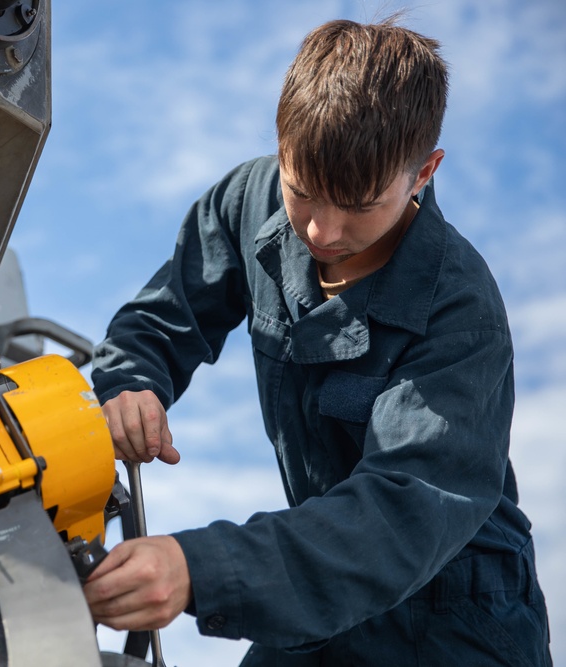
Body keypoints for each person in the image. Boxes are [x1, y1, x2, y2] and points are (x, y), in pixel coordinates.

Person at [82, 18, 552, 666]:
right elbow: (162, 320)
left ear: (423, 172)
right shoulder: (247, 200)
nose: (321, 229)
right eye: (301, 190)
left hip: (454, 617)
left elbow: (399, 516)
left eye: (358, 203)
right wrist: (132, 379)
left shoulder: (461, 310)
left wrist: (203, 567)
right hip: (314, 580)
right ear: (281, 147)